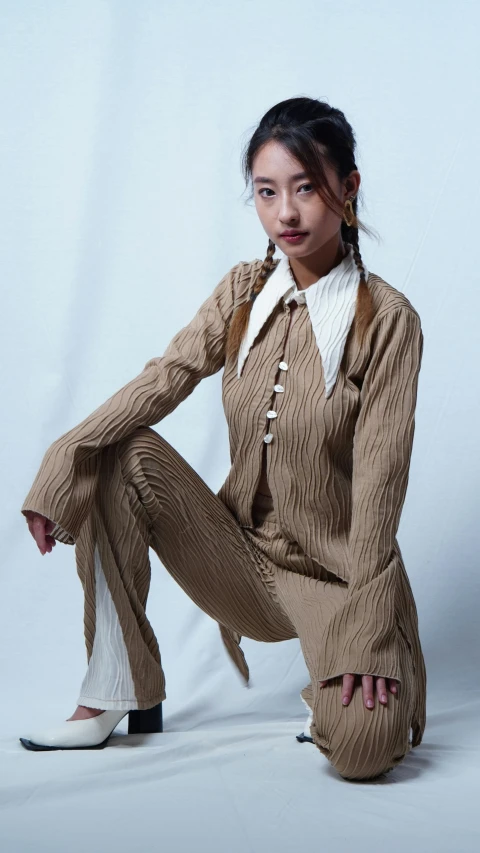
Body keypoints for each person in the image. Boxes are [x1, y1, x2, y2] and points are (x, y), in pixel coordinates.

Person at [19, 96, 426, 781]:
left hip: (337, 577)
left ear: (349, 189)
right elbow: (168, 375)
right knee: (118, 452)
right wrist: (66, 454)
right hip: (234, 558)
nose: (286, 214)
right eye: (267, 192)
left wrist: (369, 635)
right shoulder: (242, 291)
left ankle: (334, 690)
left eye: (307, 188)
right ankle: (115, 689)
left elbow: (381, 488)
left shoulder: (387, 322)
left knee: (362, 748)